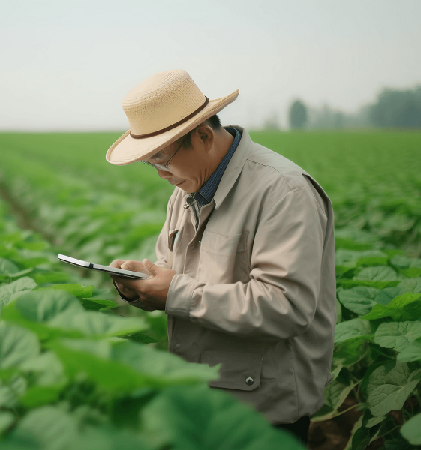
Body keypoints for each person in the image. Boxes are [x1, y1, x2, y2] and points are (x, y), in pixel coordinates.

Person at [106, 69, 335, 445]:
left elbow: (285, 306)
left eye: (162, 158)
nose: (161, 174)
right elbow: (173, 271)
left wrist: (173, 293)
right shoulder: (185, 189)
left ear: (203, 136)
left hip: (262, 409)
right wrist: (143, 283)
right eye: (151, 163)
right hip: (203, 392)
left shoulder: (283, 192)